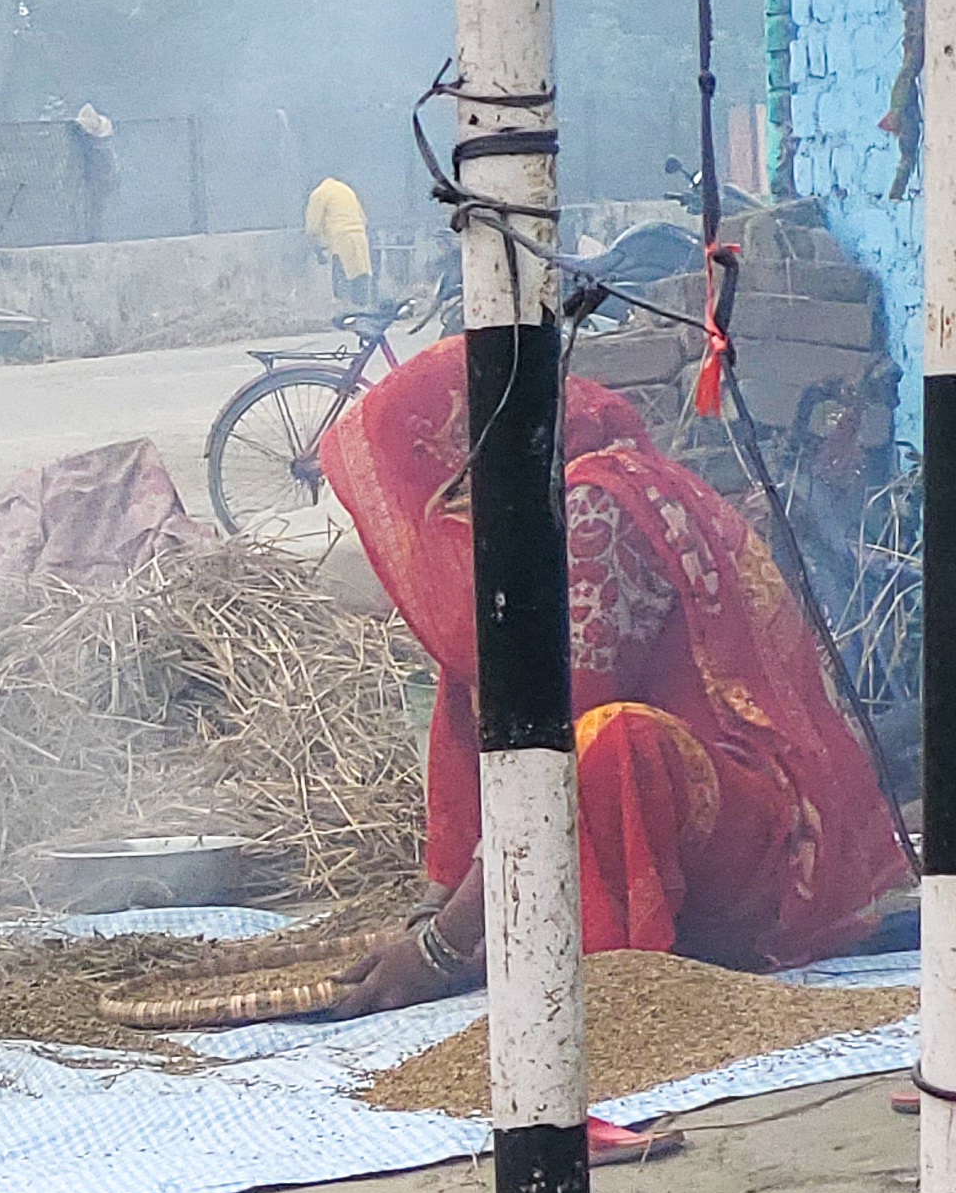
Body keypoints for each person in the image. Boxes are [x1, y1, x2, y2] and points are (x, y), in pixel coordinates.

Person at [321, 336, 909, 1015]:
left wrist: (444, 950)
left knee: (612, 740)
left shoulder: (603, 503)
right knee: (478, 659)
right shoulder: (551, 501)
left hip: (764, 852)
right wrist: (433, 912)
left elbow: (545, 753)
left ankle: (625, 989)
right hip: (668, 831)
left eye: (437, 485)